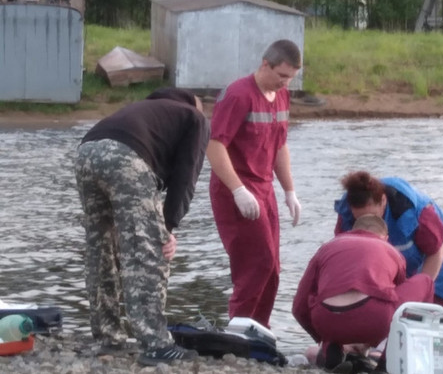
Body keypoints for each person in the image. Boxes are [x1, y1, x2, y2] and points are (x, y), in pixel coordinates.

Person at [74, 87, 210, 366]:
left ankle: (107, 337)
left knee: (101, 250)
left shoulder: (147, 110)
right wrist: (168, 227)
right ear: (195, 104)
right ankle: (156, 344)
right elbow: (187, 176)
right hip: (126, 158)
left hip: (86, 152)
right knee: (145, 250)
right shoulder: (194, 117)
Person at [334, 171, 443, 374]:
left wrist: (419, 293)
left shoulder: (411, 208)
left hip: (438, 259)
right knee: (388, 310)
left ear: (383, 201)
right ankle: (386, 362)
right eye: (361, 219)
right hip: (392, 260)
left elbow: (437, 251)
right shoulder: (346, 213)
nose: (367, 225)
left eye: (373, 217)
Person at [207, 39, 302, 328]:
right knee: (255, 262)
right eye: (281, 76)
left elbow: (279, 147)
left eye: (290, 78)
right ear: (265, 65)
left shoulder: (282, 96)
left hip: (264, 189)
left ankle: (259, 329)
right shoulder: (238, 95)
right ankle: (239, 327)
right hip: (235, 189)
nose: (285, 83)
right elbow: (214, 146)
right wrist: (238, 190)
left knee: (273, 267)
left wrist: (289, 190)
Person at [292, 215, 434, 372]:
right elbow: (400, 306)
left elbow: (299, 306)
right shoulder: (391, 251)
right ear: (385, 238)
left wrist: (321, 335)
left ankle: (331, 351)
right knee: (425, 281)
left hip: (326, 322)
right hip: (373, 320)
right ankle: (384, 364)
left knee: (327, 296)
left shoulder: (328, 247)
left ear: (353, 232)